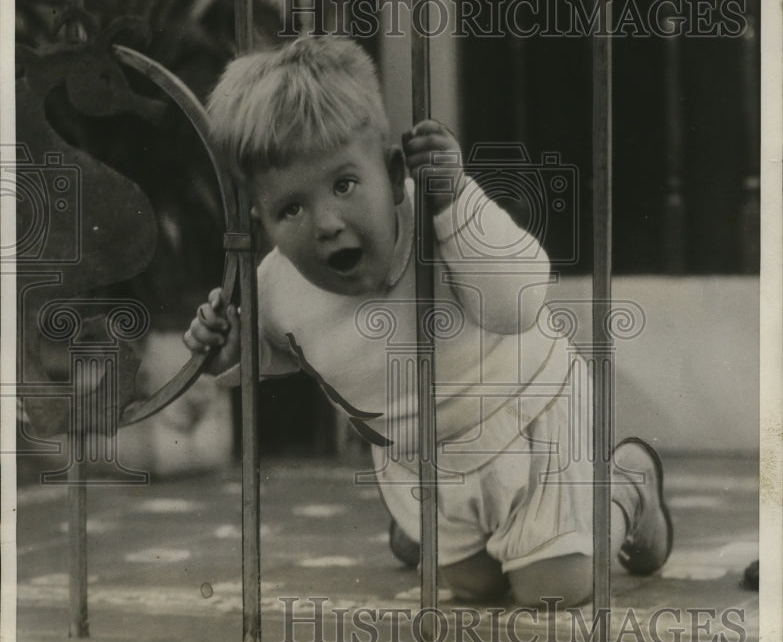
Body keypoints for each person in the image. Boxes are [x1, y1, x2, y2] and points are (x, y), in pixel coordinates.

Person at [184, 35, 672, 608]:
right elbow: (268, 349)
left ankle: (627, 485)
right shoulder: (277, 284)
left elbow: (519, 302)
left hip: (526, 410)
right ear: (261, 220)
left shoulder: (440, 215)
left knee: (554, 591)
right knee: (475, 587)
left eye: (344, 185)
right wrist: (227, 351)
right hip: (419, 451)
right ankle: (429, 528)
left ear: (394, 176)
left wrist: (454, 201)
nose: (325, 222)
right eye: (290, 208)